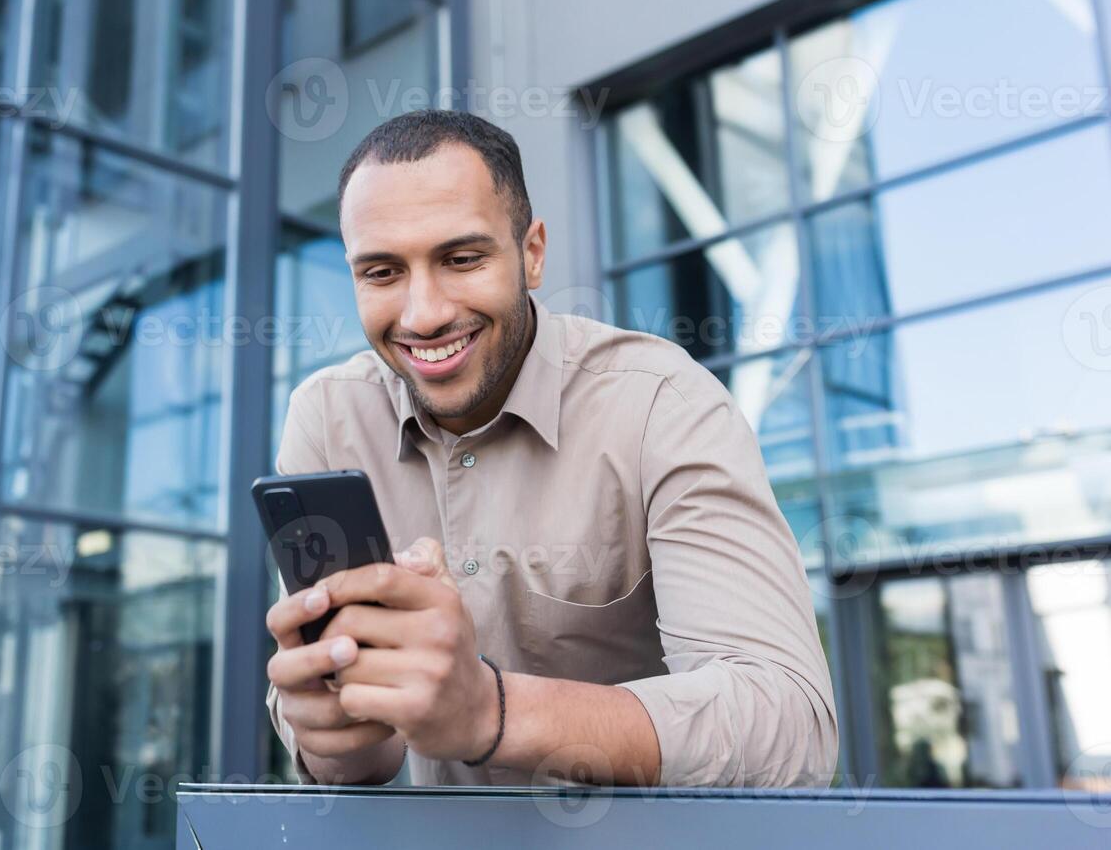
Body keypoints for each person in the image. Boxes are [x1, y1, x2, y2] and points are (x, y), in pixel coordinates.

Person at [265, 109, 837, 788]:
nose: (422, 315)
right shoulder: (326, 418)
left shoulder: (663, 404)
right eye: (383, 272)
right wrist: (333, 731)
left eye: (462, 258)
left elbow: (788, 729)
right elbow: (358, 761)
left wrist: (490, 711)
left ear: (532, 253)